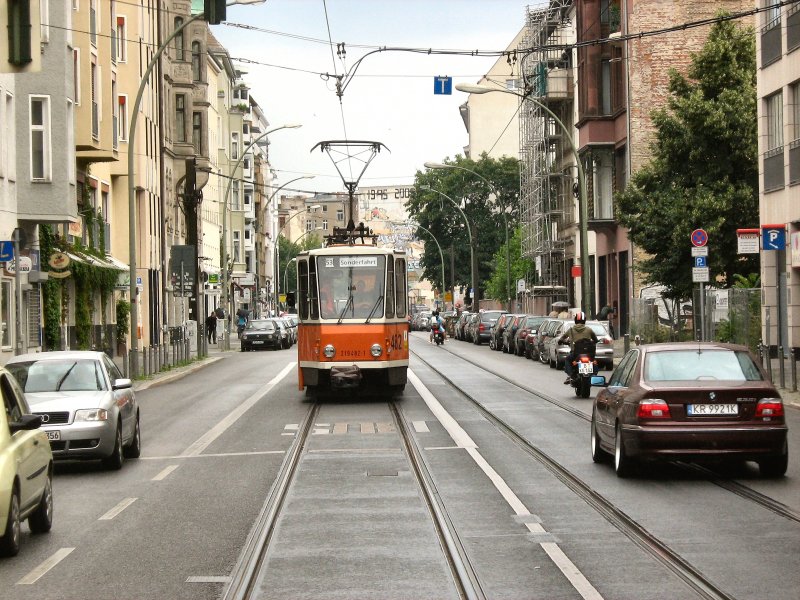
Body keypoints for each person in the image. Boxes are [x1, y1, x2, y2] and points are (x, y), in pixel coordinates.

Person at [558, 311, 598, 384]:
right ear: (585, 321)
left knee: (567, 360)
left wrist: (561, 341)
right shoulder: (589, 329)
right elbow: (595, 339)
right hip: (588, 354)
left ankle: (571, 375)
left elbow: (562, 338)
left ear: (575, 320)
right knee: (593, 361)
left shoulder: (570, 330)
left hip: (575, 354)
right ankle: (594, 374)